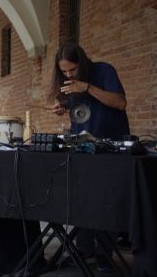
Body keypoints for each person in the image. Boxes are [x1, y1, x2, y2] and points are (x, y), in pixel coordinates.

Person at [49, 42, 130, 271]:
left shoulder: (104, 71)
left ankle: (105, 252)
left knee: (107, 200)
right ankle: (83, 250)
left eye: (72, 69)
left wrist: (86, 87)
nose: (68, 75)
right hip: (82, 146)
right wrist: (61, 107)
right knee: (81, 197)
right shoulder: (68, 82)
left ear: (82, 62)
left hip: (110, 145)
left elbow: (120, 102)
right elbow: (76, 111)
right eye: (64, 71)